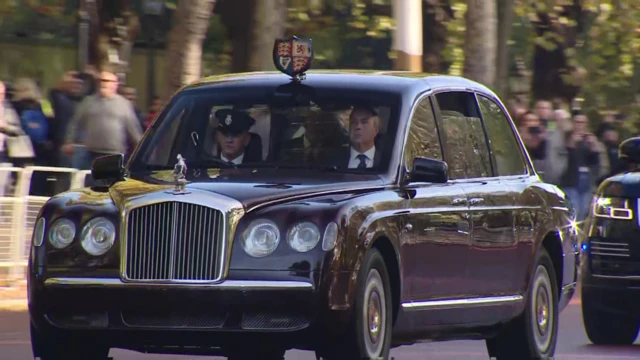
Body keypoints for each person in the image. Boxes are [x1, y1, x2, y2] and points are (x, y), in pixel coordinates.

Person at [61, 71, 143, 168]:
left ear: (115, 84)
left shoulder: (123, 104)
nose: (102, 83)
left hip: (114, 154)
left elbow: (133, 128)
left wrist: (141, 148)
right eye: (100, 80)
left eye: (106, 81)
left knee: (109, 181)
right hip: (91, 154)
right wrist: (68, 141)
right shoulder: (88, 102)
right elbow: (75, 123)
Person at [343, 104, 381, 169]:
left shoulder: (387, 162)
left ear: (375, 130)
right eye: (353, 122)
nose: (358, 126)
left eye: (364, 122)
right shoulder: (331, 159)